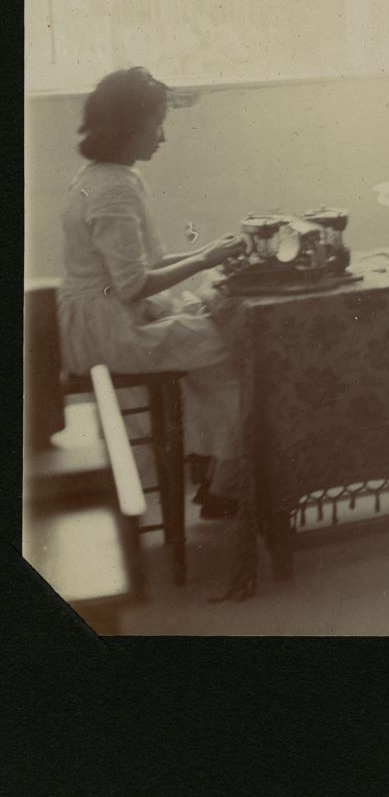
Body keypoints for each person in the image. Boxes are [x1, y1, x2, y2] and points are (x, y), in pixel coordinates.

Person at [57, 67, 247, 518]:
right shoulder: (114, 189)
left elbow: (141, 268)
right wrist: (205, 260)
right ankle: (227, 477)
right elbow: (133, 284)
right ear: (128, 127)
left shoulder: (106, 174)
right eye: (156, 125)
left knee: (219, 339)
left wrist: (212, 252)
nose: (161, 138)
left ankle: (220, 478)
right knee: (242, 343)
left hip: (105, 316)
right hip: (109, 329)